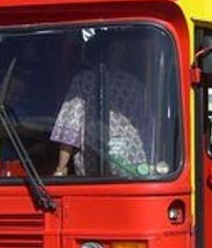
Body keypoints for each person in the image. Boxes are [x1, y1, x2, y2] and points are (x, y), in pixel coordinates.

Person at [51, 41, 150, 177]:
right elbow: (148, 127)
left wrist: (61, 168)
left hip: (96, 163)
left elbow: (70, 128)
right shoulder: (136, 84)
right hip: (133, 164)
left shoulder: (83, 80)